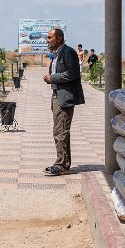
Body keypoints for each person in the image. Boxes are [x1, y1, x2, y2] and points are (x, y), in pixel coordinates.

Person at [43, 27, 85, 176]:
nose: (47, 40)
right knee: (58, 130)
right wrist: (51, 79)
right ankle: (61, 162)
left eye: (49, 38)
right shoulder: (57, 53)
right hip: (57, 94)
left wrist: (53, 78)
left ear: (58, 38)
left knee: (61, 131)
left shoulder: (68, 52)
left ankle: (61, 165)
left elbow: (73, 73)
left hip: (64, 96)